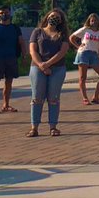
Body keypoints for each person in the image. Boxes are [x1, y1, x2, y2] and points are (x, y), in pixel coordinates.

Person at [28, 9, 71, 137]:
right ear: (47, 17)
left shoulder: (62, 35)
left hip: (57, 68)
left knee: (53, 98)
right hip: (37, 67)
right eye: (52, 16)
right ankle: (34, 127)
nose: (54, 19)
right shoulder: (37, 32)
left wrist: (48, 64)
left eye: (57, 17)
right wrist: (41, 65)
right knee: (37, 98)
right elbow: (32, 50)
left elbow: (62, 52)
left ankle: (53, 126)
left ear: (61, 21)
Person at [0, 4, 23, 114]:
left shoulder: (15, 28)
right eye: (1, 13)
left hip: (11, 58)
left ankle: (6, 105)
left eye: (6, 12)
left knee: (9, 82)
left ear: (10, 13)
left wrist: (25, 55)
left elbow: (21, 41)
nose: (4, 14)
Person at [69, 13, 99, 106]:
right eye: (91, 20)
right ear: (89, 21)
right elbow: (71, 37)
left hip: (94, 54)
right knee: (83, 77)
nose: (93, 22)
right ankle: (85, 98)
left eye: (95, 20)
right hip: (84, 52)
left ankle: (96, 97)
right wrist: (78, 46)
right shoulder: (85, 29)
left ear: (98, 21)